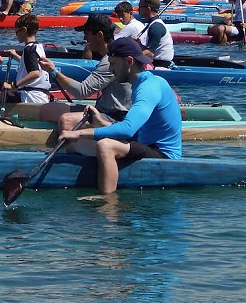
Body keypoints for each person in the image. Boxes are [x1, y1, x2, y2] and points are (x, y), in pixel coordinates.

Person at [56, 37, 182, 194]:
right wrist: (100, 122)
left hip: (163, 154)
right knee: (74, 145)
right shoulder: (139, 84)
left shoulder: (148, 87)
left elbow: (128, 129)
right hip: (143, 143)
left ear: (129, 61)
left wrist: (79, 132)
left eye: (113, 64)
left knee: (105, 145)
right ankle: (75, 178)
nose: (110, 70)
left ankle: (108, 203)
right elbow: (135, 130)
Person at [38, 14, 132, 134]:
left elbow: (81, 92)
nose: (84, 38)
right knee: (47, 109)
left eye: (87, 33)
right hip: (102, 110)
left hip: (116, 117)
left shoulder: (110, 60)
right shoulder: (108, 57)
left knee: (66, 121)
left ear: (99, 35)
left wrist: (54, 71)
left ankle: (72, 147)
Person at [0, 13, 50, 114]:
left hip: (31, 97)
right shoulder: (38, 47)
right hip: (39, 94)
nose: (16, 35)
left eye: (16, 31)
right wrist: (15, 56)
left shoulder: (28, 50)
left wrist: (13, 85)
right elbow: (31, 64)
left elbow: (35, 73)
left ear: (24, 30)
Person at [136, 0, 174, 66]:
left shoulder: (156, 26)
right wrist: (139, 44)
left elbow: (150, 53)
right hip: (155, 63)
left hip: (160, 66)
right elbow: (151, 49)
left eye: (140, 7)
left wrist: (129, 55)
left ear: (148, 9)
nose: (138, 10)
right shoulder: (152, 24)